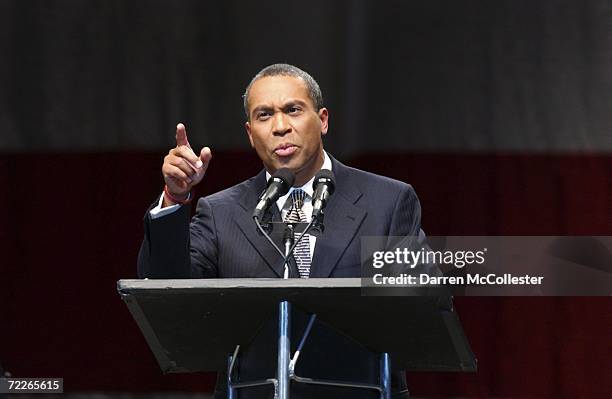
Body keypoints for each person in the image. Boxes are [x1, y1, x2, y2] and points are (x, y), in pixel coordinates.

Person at [138, 63, 436, 398]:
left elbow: (418, 308)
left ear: (322, 120)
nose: (280, 127)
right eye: (264, 115)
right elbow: (167, 290)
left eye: (293, 110)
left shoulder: (388, 201)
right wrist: (175, 198)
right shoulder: (222, 211)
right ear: (251, 134)